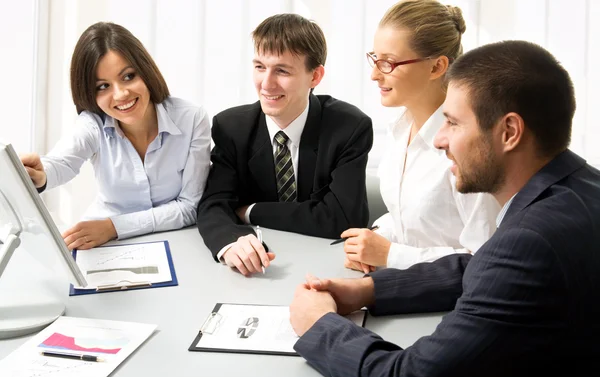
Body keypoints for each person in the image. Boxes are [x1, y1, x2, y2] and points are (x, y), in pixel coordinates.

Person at [290, 40, 600, 377]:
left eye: (452, 122)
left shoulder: (531, 242)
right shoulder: (579, 186)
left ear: (510, 132)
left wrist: (318, 324)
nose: (439, 139)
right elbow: (483, 269)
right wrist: (371, 291)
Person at [196, 14, 373, 276]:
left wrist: (250, 211)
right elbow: (214, 204)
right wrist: (231, 242)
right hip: (264, 270)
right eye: (259, 67)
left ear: (315, 76)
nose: (266, 84)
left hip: (327, 265)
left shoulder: (349, 127)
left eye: (282, 70)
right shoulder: (231, 127)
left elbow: (343, 219)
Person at [21, 22, 211, 250]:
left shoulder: (192, 119)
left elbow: (190, 206)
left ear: (145, 71)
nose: (121, 94)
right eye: (103, 86)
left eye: (129, 76)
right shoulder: (93, 124)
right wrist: (41, 175)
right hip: (103, 243)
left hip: (173, 239)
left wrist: (114, 227)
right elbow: (62, 162)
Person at [340, 0, 499, 273]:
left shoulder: (470, 148)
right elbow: (410, 219)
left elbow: (485, 259)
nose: (374, 74)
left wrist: (391, 255)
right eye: (374, 59)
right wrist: (376, 236)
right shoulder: (400, 131)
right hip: (400, 287)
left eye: (388, 62)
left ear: (436, 67)